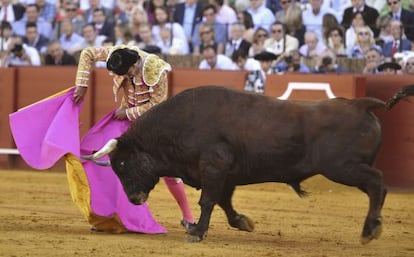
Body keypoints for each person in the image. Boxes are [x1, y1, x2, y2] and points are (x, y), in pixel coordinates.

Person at [73, 44, 196, 231]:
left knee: (169, 172)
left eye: (126, 74)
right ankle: (110, 219)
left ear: (133, 67)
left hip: (154, 126)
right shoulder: (119, 54)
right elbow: (87, 53)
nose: (125, 78)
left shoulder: (156, 69)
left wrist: (129, 112)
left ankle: (189, 217)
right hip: (125, 122)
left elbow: (157, 105)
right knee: (104, 158)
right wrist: (81, 85)